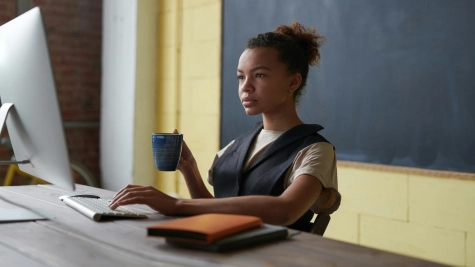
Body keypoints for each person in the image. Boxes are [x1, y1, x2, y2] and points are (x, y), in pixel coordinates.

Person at [109, 21, 339, 232]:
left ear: (293, 82)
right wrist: (190, 170)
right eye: (241, 77)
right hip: (221, 249)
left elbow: (285, 210)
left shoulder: (316, 150)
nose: (245, 87)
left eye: (259, 75)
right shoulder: (238, 144)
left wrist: (176, 204)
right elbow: (215, 208)